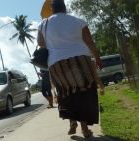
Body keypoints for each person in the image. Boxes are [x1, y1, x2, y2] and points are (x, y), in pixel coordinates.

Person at [37, 0, 104, 138]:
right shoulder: (78, 21)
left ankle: (72, 120)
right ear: (65, 8)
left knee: (65, 93)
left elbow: (40, 43)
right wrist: (97, 58)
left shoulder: (44, 23)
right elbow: (89, 41)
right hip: (81, 61)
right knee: (84, 93)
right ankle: (85, 129)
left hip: (57, 65)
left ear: (52, 9)